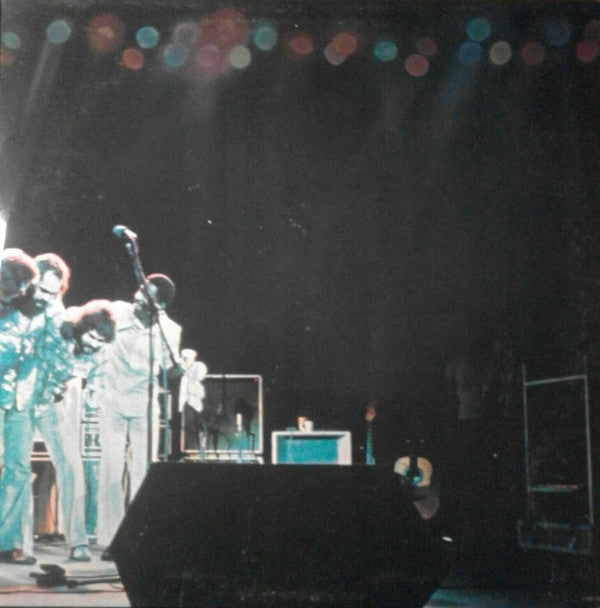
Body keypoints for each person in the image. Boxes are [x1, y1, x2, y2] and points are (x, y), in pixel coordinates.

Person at [94, 274, 182, 559]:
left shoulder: (169, 330)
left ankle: (137, 539)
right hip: (112, 399)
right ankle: (111, 540)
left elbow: (170, 368)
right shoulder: (117, 312)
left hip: (144, 402)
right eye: (140, 293)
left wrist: (179, 369)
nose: (140, 300)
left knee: (142, 474)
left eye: (148, 298)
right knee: (111, 471)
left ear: (161, 305)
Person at [32, 295, 116, 562]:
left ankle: (78, 542)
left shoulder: (100, 355)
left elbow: (95, 392)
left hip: (56, 406)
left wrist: (96, 397)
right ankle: (10, 543)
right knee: (14, 470)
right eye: (91, 336)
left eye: (100, 341)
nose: (94, 344)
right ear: (82, 327)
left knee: (72, 469)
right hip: (25, 397)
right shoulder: (63, 326)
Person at [0, 253, 70, 565]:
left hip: (23, 398)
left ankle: (6, 544)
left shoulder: (50, 312)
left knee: (18, 469)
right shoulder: (6, 302)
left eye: (52, 293)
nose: (45, 297)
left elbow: (59, 352)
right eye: (41, 290)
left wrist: (55, 383)